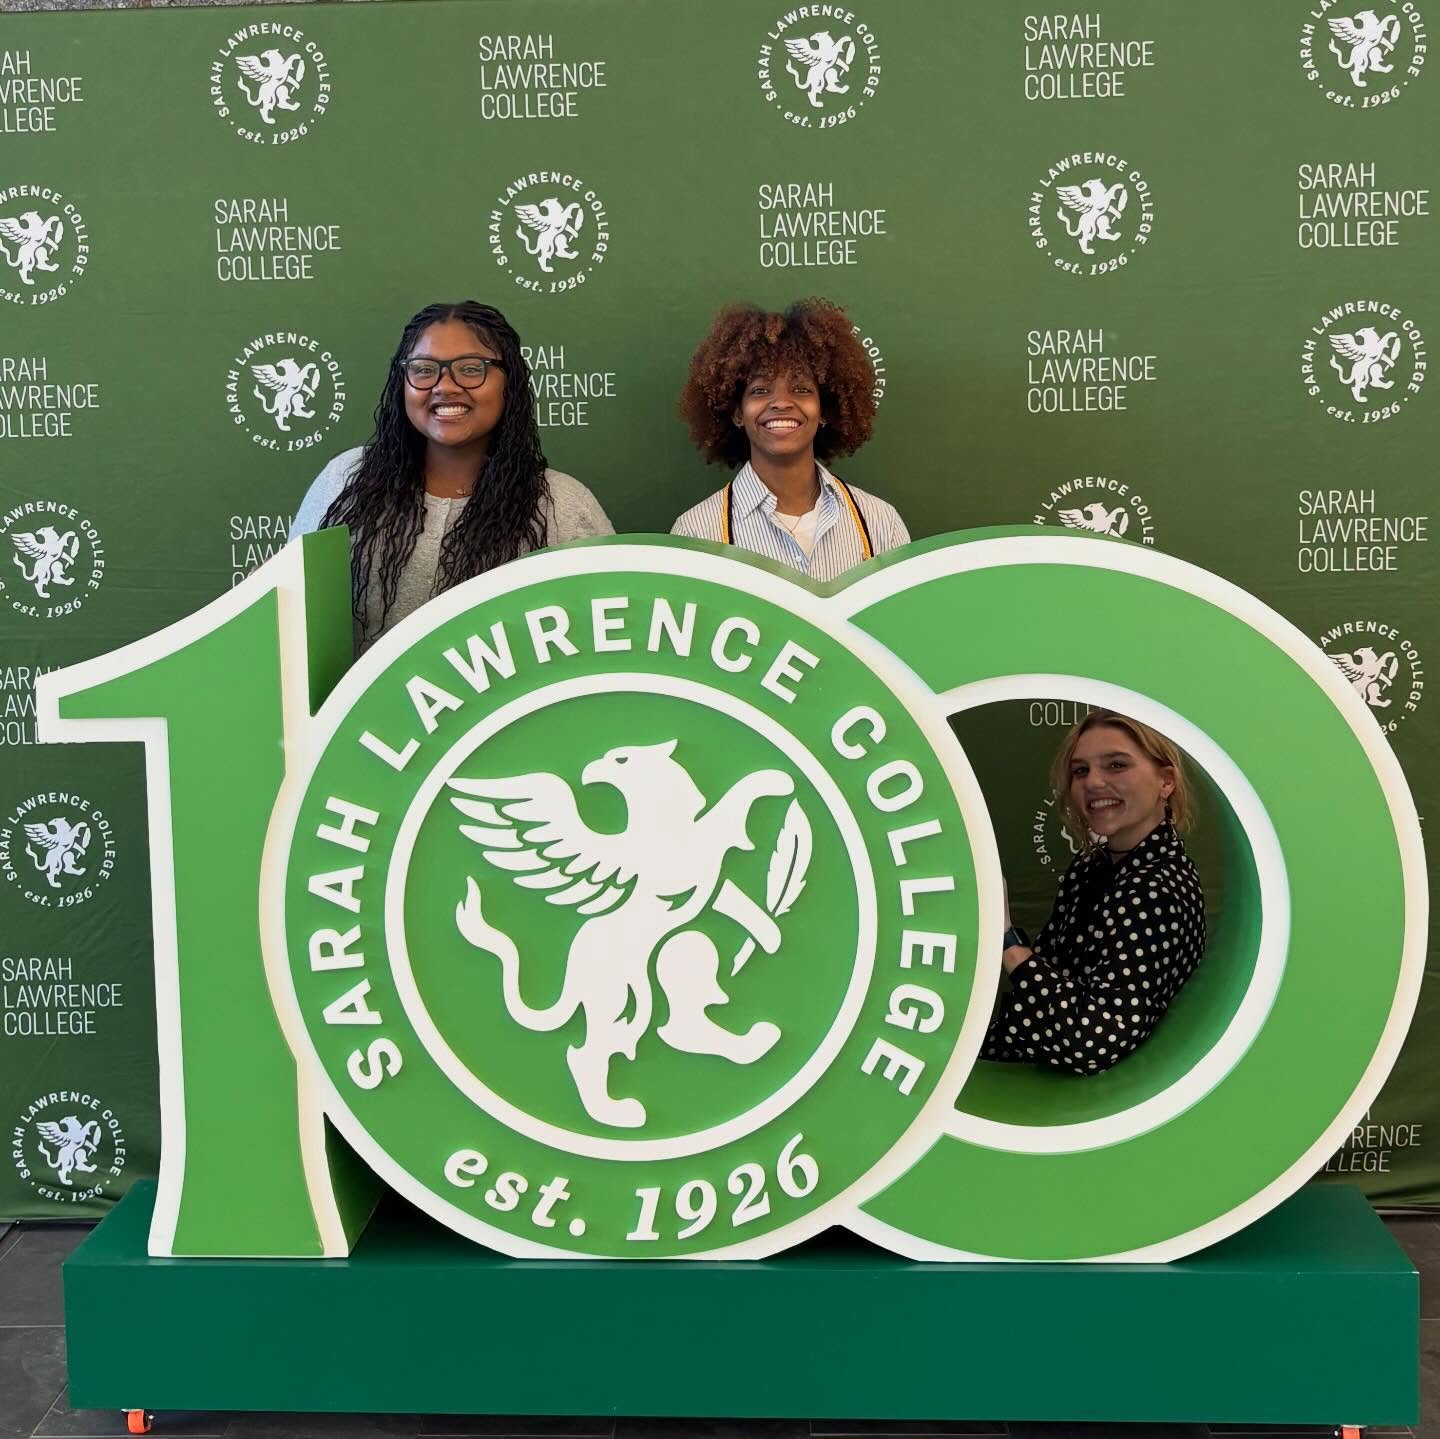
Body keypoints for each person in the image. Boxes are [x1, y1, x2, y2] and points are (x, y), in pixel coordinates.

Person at [290, 301, 613, 649]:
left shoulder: (562, 505)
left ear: (510, 384)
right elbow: (288, 621)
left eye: (471, 369)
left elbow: (603, 642)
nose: (445, 386)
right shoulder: (346, 482)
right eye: (425, 369)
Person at [984, 710, 1207, 1076]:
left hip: (1061, 1103)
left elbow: (1094, 1041)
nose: (1093, 782)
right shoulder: (1091, 866)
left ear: (1166, 781)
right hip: (1019, 1068)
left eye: (1116, 765)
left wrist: (1007, 942)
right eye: (1080, 770)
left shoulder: (1157, 890)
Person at [671, 298, 909, 579]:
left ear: (824, 409)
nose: (781, 403)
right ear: (736, 412)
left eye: (801, 389)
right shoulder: (697, 533)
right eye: (760, 391)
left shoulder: (880, 522)